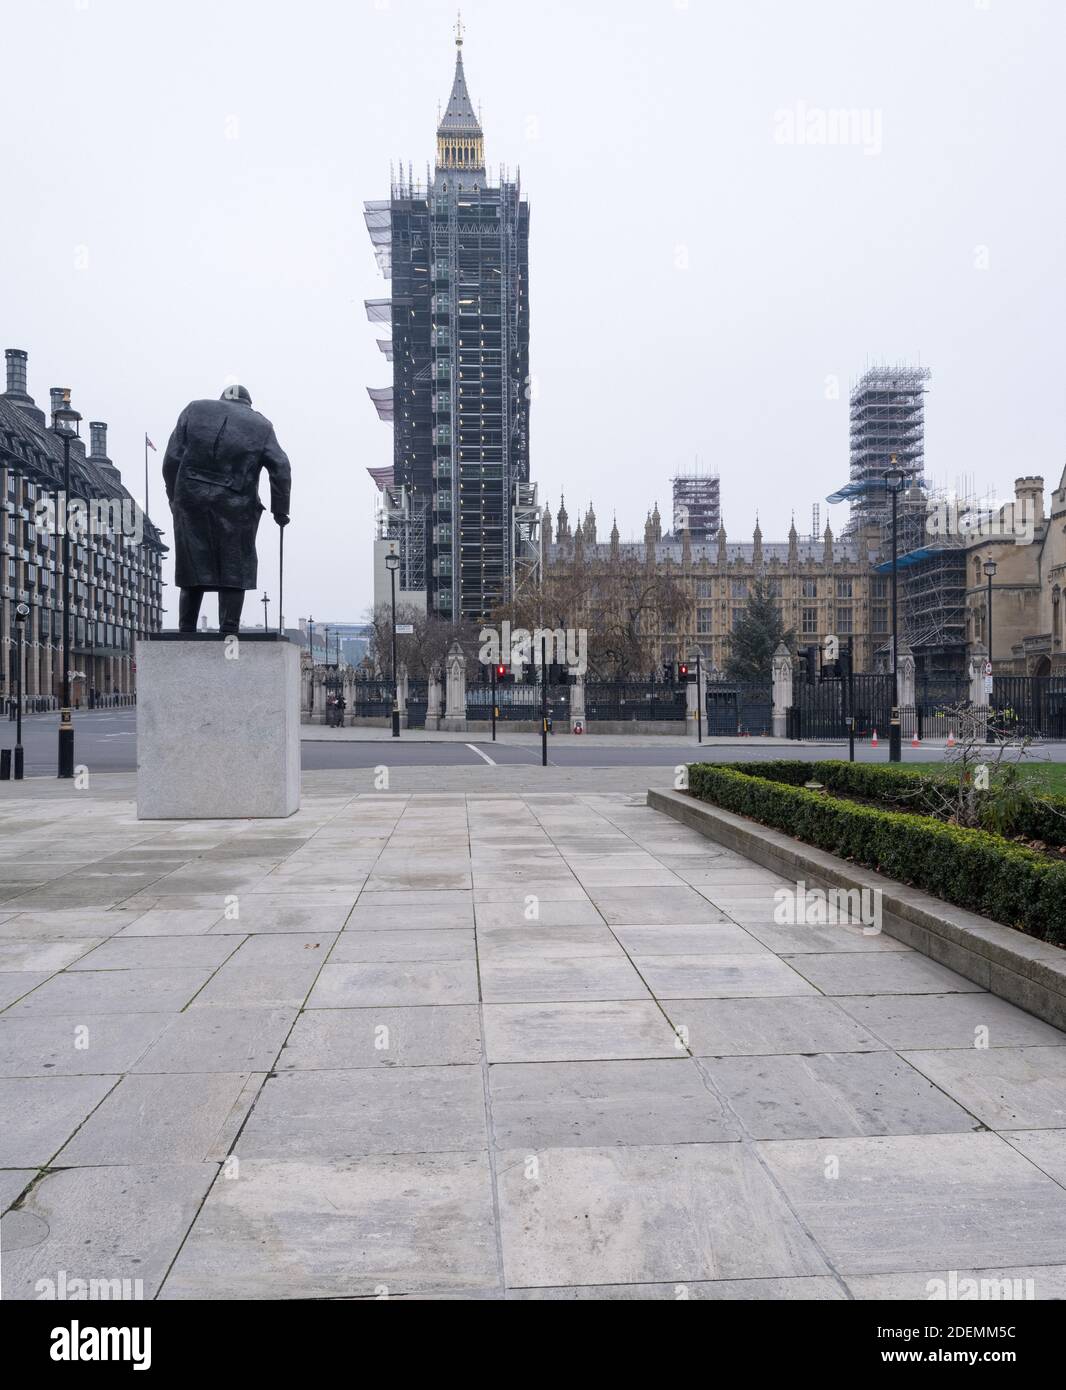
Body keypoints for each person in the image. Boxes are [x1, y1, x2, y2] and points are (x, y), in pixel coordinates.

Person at [162, 385, 290, 636]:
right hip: (236, 504)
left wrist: (174, 498)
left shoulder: (194, 409)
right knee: (235, 566)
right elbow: (281, 466)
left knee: (191, 565)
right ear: (248, 403)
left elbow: (171, 460)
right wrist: (280, 510)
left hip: (190, 499)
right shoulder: (261, 425)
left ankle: (186, 629)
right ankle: (229, 629)